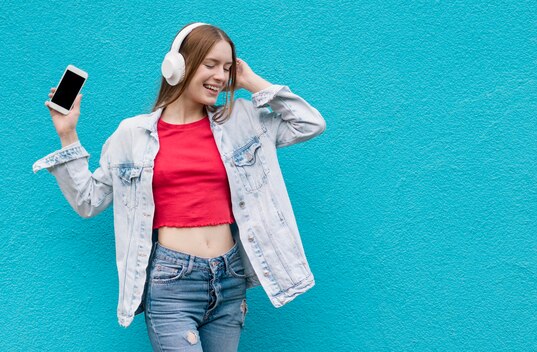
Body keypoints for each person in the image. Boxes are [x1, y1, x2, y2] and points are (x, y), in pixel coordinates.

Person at [32, 22, 326, 351]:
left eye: (227, 68)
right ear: (178, 66)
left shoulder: (240, 121)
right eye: (210, 64)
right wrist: (67, 134)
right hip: (172, 283)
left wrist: (249, 80)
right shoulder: (133, 135)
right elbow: (88, 201)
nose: (220, 76)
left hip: (230, 278)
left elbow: (309, 123)